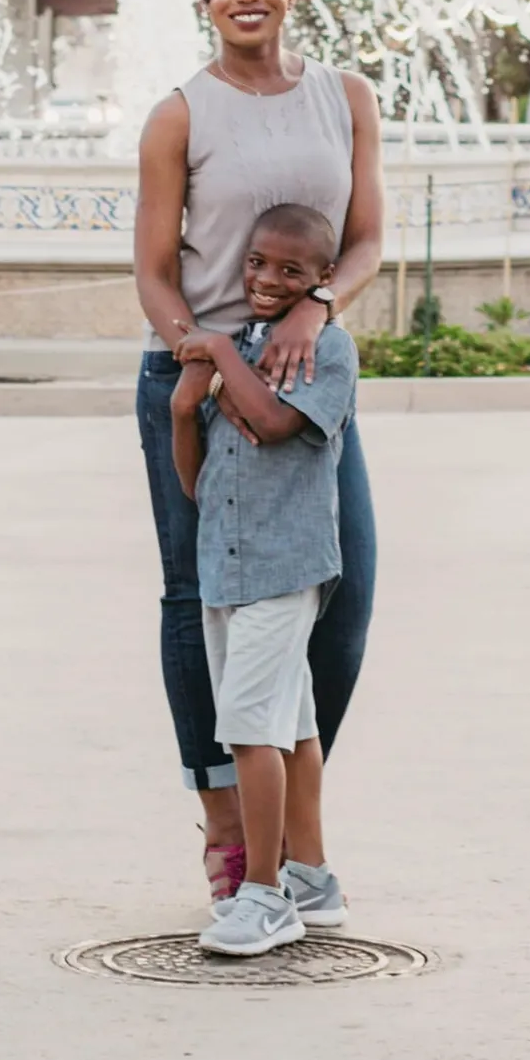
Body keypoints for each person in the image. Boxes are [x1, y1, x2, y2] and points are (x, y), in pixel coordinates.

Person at [133, 0, 383, 909]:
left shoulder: (346, 97)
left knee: (345, 592)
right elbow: (155, 275)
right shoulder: (178, 116)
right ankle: (232, 823)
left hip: (308, 383)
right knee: (201, 606)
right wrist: (205, 354)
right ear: (204, 3)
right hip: (197, 385)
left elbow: (365, 240)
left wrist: (317, 308)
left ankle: (294, 823)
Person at [172, 202, 359, 956]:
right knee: (294, 723)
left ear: (321, 281)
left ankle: (265, 894)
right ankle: (314, 879)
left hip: (283, 569)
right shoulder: (242, 348)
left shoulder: (328, 349)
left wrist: (215, 349)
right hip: (226, 565)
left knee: (249, 727)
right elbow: (197, 481)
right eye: (257, 262)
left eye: (291, 270)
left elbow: (280, 426)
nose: (267, 279)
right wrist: (187, 408)